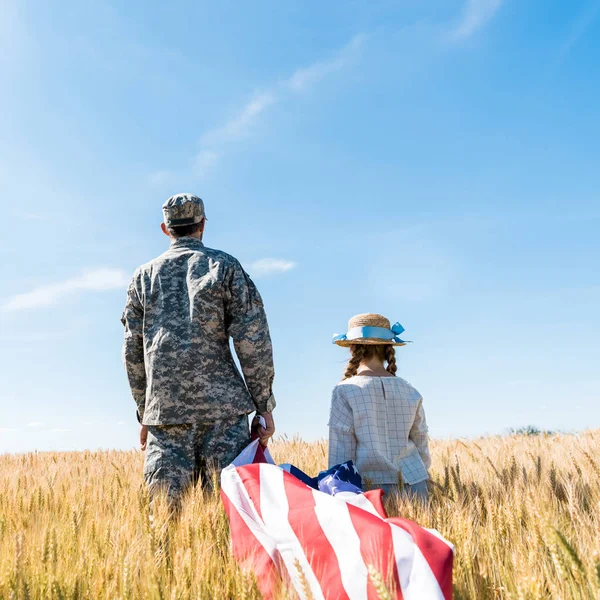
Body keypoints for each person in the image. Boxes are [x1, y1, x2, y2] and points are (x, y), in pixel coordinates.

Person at [121, 193, 276, 507]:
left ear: (166, 229)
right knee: (229, 518)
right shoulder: (225, 266)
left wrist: (145, 412)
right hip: (224, 415)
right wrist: (264, 405)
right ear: (202, 224)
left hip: (165, 418)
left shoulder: (143, 277)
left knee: (165, 524)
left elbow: (133, 352)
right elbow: (253, 340)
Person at [328, 313, 430, 501]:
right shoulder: (410, 390)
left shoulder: (345, 391)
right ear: (388, 349)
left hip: (369, 490)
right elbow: (420, 439)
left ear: (352, 349)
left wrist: (337, 491)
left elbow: (341, 451)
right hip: (415, 485)